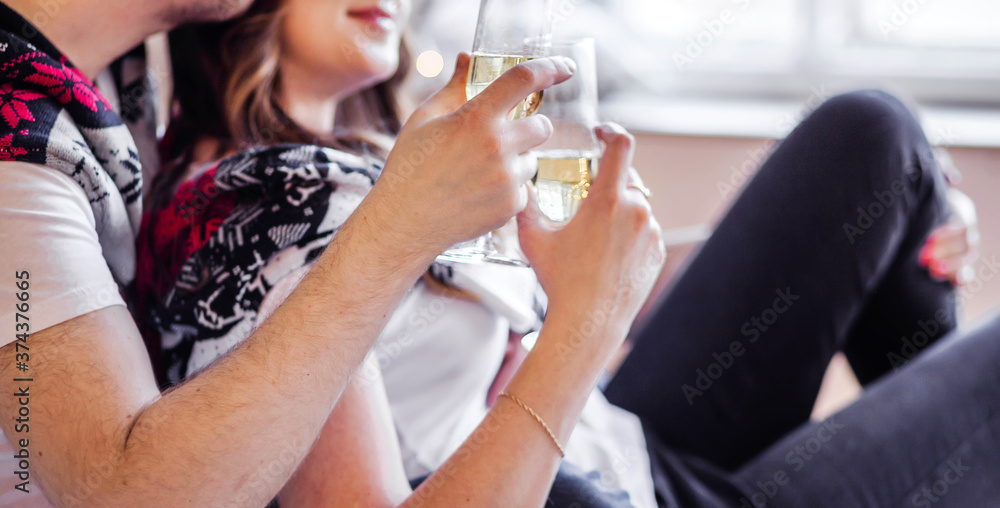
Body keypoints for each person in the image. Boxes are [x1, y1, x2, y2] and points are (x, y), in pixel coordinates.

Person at [141, 0, 1000, 506]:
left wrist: (856, 247)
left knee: (877, 146)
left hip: (619, 434)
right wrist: (587, 318)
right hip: (607, 489)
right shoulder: (265, 205)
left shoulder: (389, 162)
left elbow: (556, 281)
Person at [0, 0, 666, 506]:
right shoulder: (282, 194)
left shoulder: (114, 74)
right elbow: (129, 490)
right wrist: (587, 322)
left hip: (608, 439)